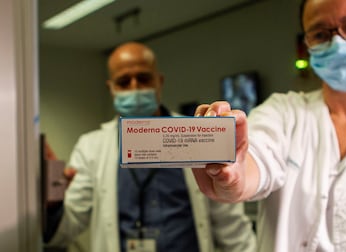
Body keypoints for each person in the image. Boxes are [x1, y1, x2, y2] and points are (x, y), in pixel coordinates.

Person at [192, 0, 346, 251]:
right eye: (320, 34)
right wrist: (233, 172)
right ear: (307, 45)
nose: (337, 42)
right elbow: (256, 157)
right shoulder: (284, 113)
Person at [44, 42, 257, 252]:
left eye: (144, 79)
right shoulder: (91, 147)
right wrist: (52, 201)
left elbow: (231, 227)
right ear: (111, 88)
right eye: (124, 81)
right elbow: (65, 229)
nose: (135, 88)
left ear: (159, 82)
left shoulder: (196, 134)